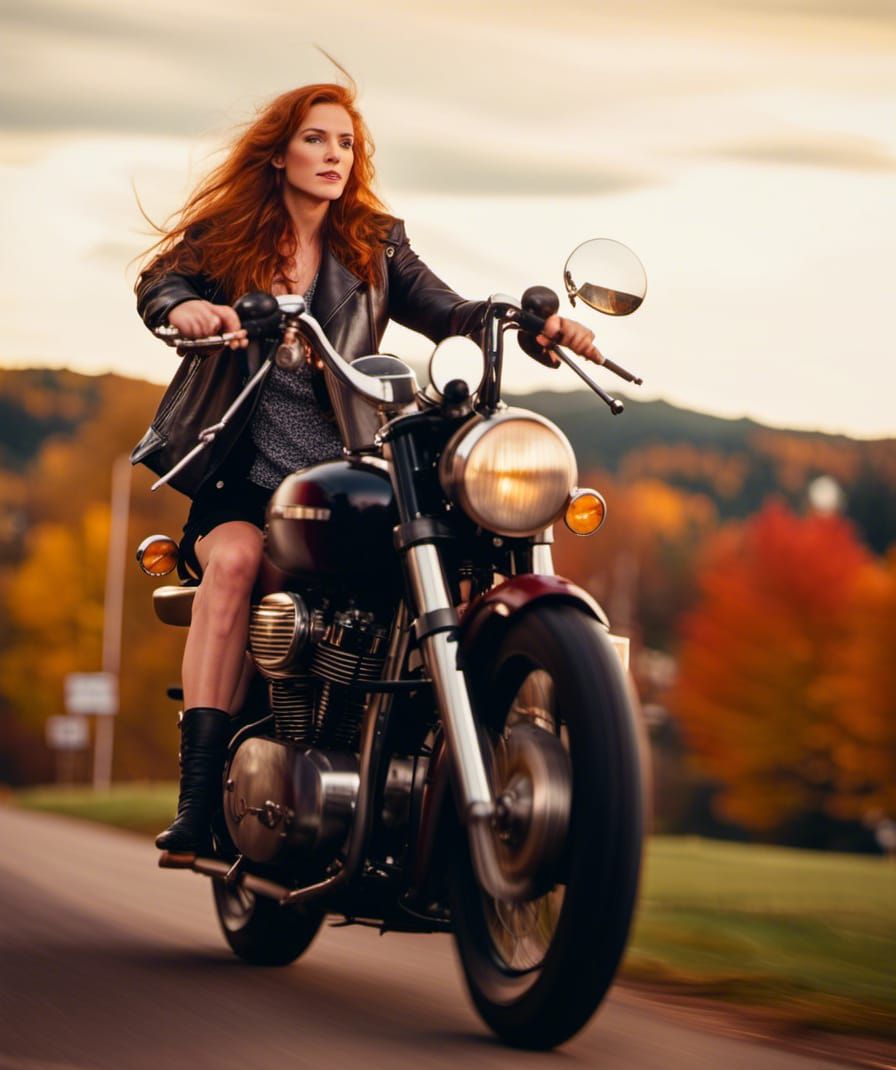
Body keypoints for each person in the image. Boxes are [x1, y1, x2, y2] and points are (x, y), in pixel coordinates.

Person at [135, 79, 600, 859]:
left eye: (346, 143)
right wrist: (183, 308)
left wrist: (526, 321)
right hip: (243, 485)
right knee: (238, 563)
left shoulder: (375, 243)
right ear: (279, 153)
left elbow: (450, 311)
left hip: (341, 484)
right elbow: (161, 282)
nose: (334, 155)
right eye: (316, 139)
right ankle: (198, 800)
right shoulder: (227, 236)